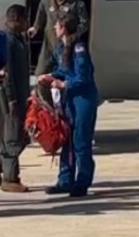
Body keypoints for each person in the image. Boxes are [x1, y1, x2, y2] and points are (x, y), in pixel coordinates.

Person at [42, 13, 100, 197]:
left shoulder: (78, 48)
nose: (54, 28)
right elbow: (63, 69)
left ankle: (82, 181)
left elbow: (83, 77)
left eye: (57, 25)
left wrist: (64, 84)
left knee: (81, 142)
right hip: (71, 100)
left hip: (83, 100)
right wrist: (52, 76)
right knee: (67, 140)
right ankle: (65, 180)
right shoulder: (62, 47)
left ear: (65, 28)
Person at [0, 4, 33, 193]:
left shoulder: (17, 39)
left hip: (20, 96)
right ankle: (10, 178)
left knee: (19, 137)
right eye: (25, 19)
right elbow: (8, 74)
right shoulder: (8, 41)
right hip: (13, 99)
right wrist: (11, 99)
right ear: (17, 19)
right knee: (13, 138)